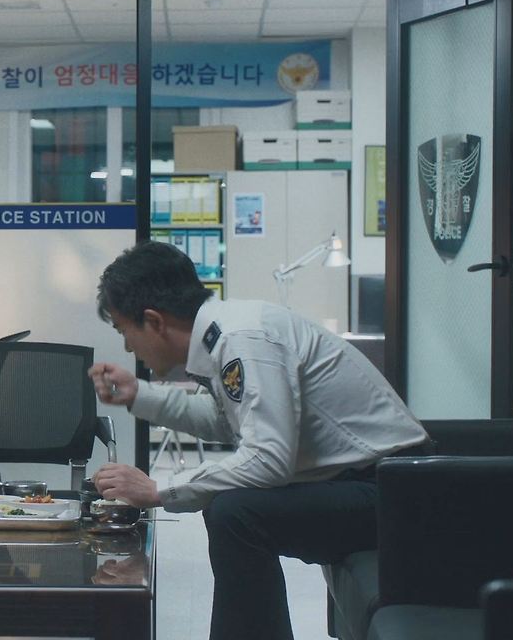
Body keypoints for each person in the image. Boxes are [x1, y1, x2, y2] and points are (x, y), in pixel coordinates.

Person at [87, 241, 428, 640]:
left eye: (124, 331)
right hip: (368, 483)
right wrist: (140, 395)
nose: (128, 347)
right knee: (229, 508)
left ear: (154, 320)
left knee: (235, 513)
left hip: (397, 493)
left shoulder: (244, 339)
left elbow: (269, 459)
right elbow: (227, 424)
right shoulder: (227, 333)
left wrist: (159, 489)